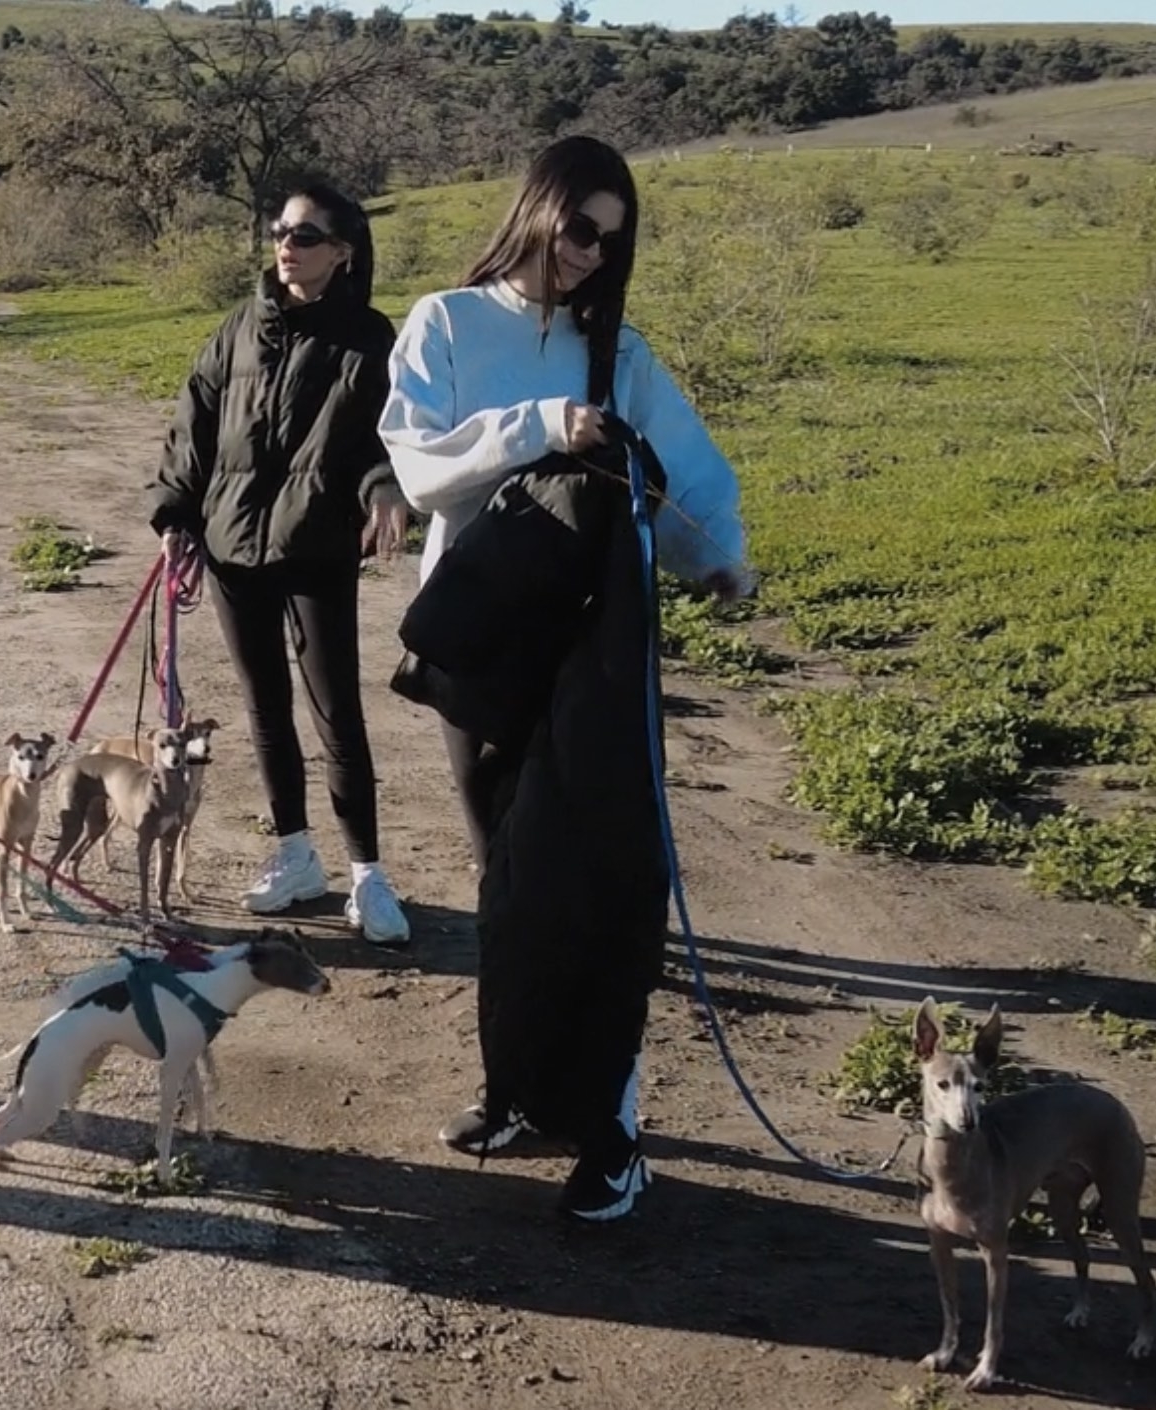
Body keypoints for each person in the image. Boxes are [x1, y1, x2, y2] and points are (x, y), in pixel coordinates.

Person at [378, 135, 754, 1221]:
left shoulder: (616, 349)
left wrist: (717, 551)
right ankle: (519, 1091)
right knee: (507, 886)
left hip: (593, 647)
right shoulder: (445, 322)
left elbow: (679, 463)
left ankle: (612, 1128)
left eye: (612, 240)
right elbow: (420, 462)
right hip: (482, 636)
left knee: (592, 884)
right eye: (581, 228)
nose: (592, 256)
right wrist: (542, 424)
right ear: (538, 210)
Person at [146, 184, 414, 947]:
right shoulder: (238, 327)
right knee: (264, 707)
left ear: (343, 251)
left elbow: (383, 436)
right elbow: (192, 422)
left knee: (337, 713)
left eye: (304, 233)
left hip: (317, 546)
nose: (286, 245)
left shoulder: (368, 338)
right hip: (232, 548)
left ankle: (367, 875)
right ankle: (295, 856)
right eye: (279, 231)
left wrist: (386, 487)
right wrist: (176, 514)